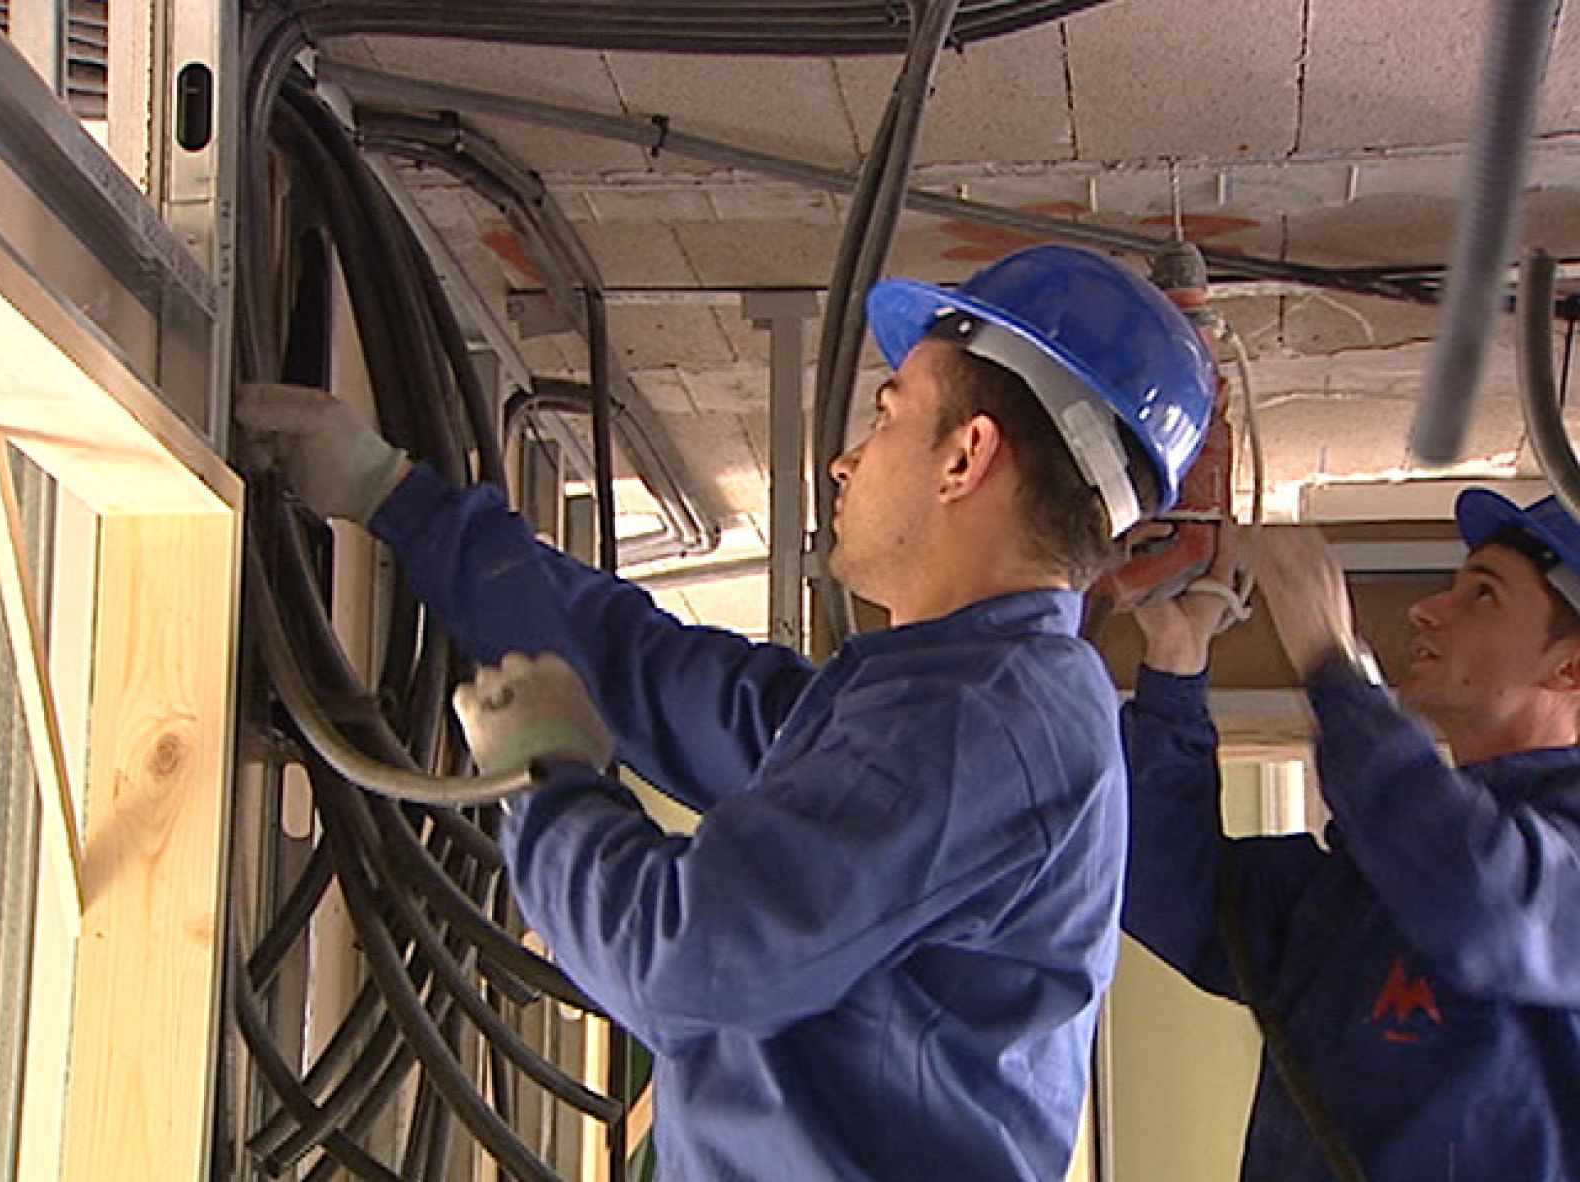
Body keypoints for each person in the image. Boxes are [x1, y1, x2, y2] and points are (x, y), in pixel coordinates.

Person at [238, 243, 1215, 1181]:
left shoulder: (988, 724)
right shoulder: (950, 695)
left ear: (966, 456)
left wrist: (547, 775)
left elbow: (681, 959)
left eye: (886, 417)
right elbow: (646, 671)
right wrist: (396, 495)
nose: (844, 461)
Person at [1122, 493, 1580, 1181]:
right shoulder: (1376, 874)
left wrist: (1332, 664)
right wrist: (1175, 660)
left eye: (1484, 595)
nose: (1428, 610)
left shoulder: (1504, 866)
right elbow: (1176, 892)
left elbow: (1480, 899)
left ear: (1570, 669)